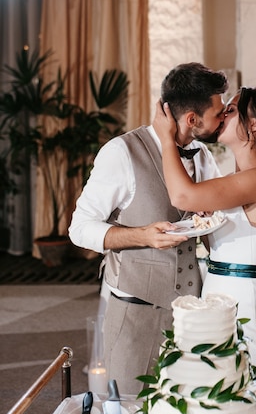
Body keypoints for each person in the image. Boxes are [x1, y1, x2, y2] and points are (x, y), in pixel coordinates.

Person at [69, 63, 229, 395]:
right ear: (191, 120)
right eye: (219, 113)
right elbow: (80, 228)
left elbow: (214, 217)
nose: (224, 119)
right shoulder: (121, 152)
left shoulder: (202, 156)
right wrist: (142, 235)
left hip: (189, 316)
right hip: (135, 313)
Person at [153, 86, 256, 393]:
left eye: (231, 109)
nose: (222, 114)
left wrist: (165, 139)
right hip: (215, 294)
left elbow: (182, 195)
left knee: (243, 398)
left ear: (254, 124)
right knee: (214, 400)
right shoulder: (233, 180)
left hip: (245, 304)